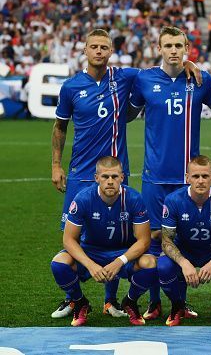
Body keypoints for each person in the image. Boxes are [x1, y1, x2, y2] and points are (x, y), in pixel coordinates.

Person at [128, 26, 211, 321]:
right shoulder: (143, 79)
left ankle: (179, 302)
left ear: (187, 48)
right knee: (153, 241)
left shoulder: (200, 80)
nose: (174, 50)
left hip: (188, 179)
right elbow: (125, 114)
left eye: (179, 45)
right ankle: (155, 303)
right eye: (168, 45)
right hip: (154, 177)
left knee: (183, 240)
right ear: (159, 48)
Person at [51, 28, 138, 319]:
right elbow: (60, 127)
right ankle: (74, 298)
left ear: (110, 51)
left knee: (113, 237)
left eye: (104, 47)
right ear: (85, 51)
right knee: (71, 236)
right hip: (80, 174)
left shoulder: (123, 78)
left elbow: (162, 70)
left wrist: (187, 63)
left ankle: (110, 300)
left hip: (113, 173)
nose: (98, 51)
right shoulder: (71, 87)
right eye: (94, 47)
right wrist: (55, 165)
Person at [49, 156, 157, 326]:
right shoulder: (83, 198)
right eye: (105, 177)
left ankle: (130, 301)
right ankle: (79, 301)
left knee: (150, 262)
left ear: (122, 177)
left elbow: (144, 241)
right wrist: (91, 265)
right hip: (91, 251)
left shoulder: (134, 199)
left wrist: (119, 261)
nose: (110, 181)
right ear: (96, 178)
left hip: (122, 251)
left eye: (114, 177)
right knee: (59, 263)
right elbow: (68, 240)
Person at [158, 155, 211, 327]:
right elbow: (166, 241)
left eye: (205, 176)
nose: (201, 181)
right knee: (163, 266)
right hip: (185, 251)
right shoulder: (173, 200)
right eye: (196, 176)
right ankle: (177, 306)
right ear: (187, 178)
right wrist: (183, 262)